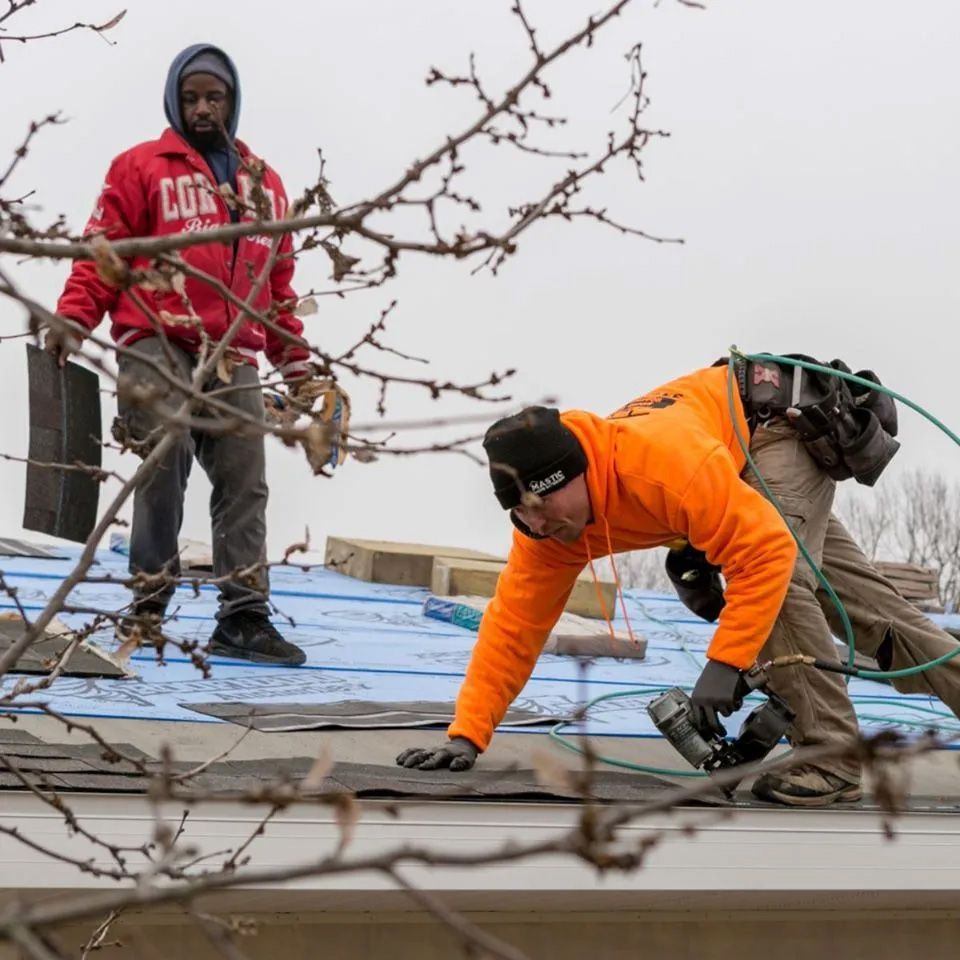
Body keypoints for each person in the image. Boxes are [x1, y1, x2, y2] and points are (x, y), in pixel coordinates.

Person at [397, 355, 960, 806]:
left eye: (543, 503)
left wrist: (726, 662)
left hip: (772, 432)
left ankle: (832, 761)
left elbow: (762, 553)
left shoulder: (655, 464)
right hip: (723, 462)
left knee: (779, 576)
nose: (537, 523)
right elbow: (513, 627)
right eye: (521, 513)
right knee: (873, 611)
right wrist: (467, 733)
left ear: (579, 472)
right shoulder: (549, 532)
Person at [48, 43, 312, 666]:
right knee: (164, 462)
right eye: (190, 97)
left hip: (232, 349)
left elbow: (277, 286)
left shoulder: (264, 185)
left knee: (247, 477)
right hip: (155, 338)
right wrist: (73, 318)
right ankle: (147, 606)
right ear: (174, 100)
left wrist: (294, 359)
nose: (201, 108)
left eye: (213, 97)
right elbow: (103, 255)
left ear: (232, 101)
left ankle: (243, 616)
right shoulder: (140, 167)